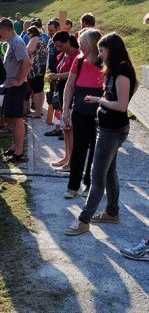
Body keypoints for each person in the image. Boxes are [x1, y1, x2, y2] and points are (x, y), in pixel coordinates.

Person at [65, 33, 138, 235]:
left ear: (111, 50)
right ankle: (112, 212)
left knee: (97, 177)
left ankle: (83, 220)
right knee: (109, 172)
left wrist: (99, 101)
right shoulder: (116, 68)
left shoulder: (122, 70)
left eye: (102, 50)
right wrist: (101, 99)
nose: (100, 54)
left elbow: (122, 105)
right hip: (108, 127)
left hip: (112, 130)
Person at [62, 29, 104, 198]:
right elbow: (70, 85)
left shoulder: (105, 63)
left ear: (94, 45)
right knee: (79, 149)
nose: (81, 49)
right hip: (80, 112)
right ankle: (73, 187)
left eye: (84, 45)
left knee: (96, 151)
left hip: (100, 115)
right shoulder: (78, 61)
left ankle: (89, 185)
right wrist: (66, 109)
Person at [0, 18, 32, 162]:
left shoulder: (17, 43)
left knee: (17, 121)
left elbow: (27, 62)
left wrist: (19, 80)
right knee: (12, 119)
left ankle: (18, 153)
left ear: (6, 29)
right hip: (11, 87)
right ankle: (14, 147)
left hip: (16, 87)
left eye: (0, 32)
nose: (0, 35)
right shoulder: (11, 43)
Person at [47, 32, 80, 170]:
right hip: (63, 95)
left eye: (60, 45)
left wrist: (57, 76)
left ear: (68, 42)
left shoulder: (76, 55)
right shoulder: (65, 54)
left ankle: (72, 161)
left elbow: (74, 74)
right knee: (66, 129)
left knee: (70, 129)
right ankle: (67, 157)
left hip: (72, 96)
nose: (58, 48)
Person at [26, 25, 48, 118]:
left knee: (37, 91)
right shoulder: (41, 39)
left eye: (28, 33)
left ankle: (37, 112)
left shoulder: (34, 39)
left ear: (32, 33)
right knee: (40, 90)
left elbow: (28, 51)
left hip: (36, 69)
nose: (27, 35)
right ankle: (39, 111)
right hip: (42, 68)